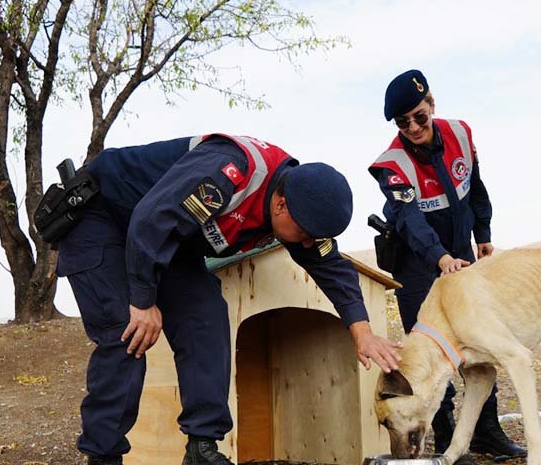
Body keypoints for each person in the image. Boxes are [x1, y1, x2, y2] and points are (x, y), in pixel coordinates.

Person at [54, 134, 403, 465]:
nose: (308, 243)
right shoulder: (228, 173)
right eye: (307, 235)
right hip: (103, 217)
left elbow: (329, 265)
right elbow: (150, 220)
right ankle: (103, 455)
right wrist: (143, 302)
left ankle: (201, 448)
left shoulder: (300, 204)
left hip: (167, 238)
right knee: (126, 332)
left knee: (205, 317)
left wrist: (362, 331)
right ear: (281, 205)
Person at [368, 70, 525, 461]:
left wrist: (483, 233)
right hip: (418, 263)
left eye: (419, 116)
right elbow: (410, 220)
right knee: (433, 353)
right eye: (403, 122)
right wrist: (441, 259)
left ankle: (487, 431)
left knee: (479, 341)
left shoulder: (460, 133)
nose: (414, 127)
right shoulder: (391, 164)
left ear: (432, 105)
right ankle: (445, 436)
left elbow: (475, 185)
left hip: (461, 256)